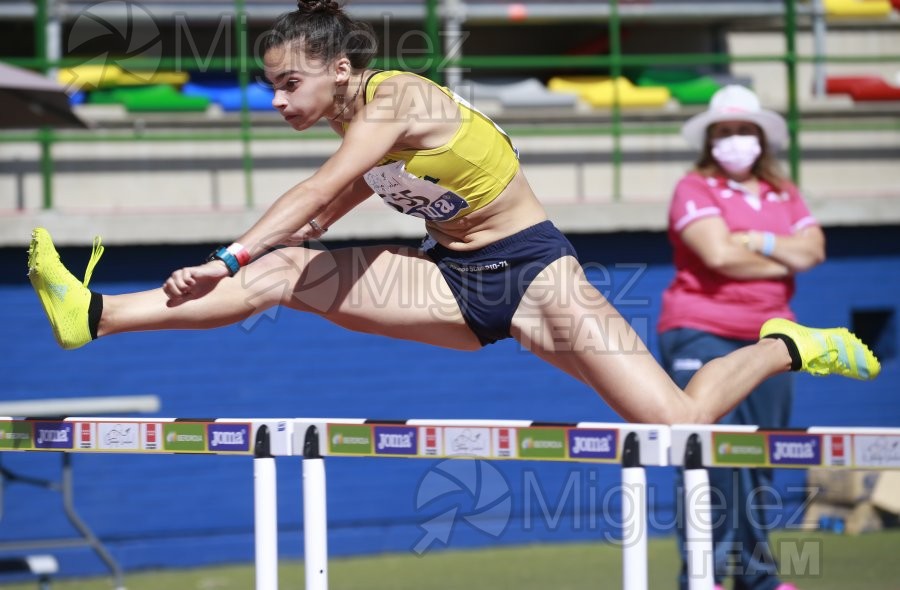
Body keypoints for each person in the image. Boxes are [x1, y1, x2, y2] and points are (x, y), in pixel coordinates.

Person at [28, 1, 879, 431]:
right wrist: (265, 255)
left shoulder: (394, 98)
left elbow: (322, 189)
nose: (275, 97)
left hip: (541, 277)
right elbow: (333, 208)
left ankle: (787, 345)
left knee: (676, 423)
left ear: (342, 67)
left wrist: (229, 254)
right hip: (451, 278)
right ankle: (95, 315)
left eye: (289, 82)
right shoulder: (358, 122)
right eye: (270, 83)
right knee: (285, 273)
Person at [658, 85, 825, 590]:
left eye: (744, 131)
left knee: (759, 460)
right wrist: (781, 260)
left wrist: (758, 240)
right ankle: (701, 577)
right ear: (710, 140)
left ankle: (758, 578)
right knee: (707, 462)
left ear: (762, 138)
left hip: (773, 340)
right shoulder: (693, 188)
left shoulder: (784, 192)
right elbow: (719, 256)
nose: (735, 140)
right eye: (724, 131)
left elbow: (814, 251)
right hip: (700, 334)